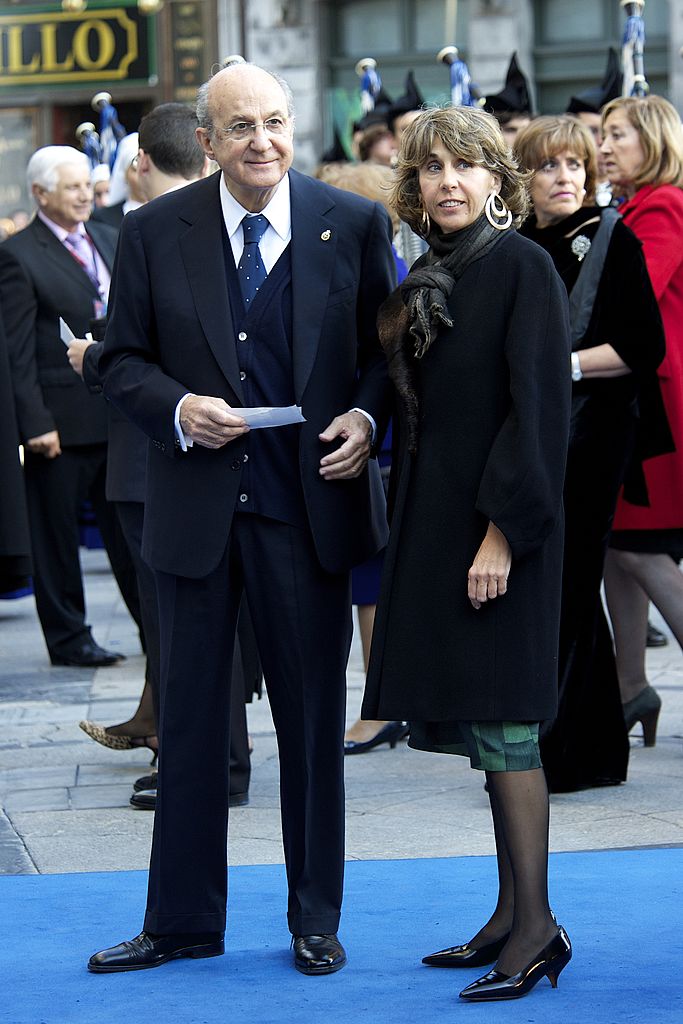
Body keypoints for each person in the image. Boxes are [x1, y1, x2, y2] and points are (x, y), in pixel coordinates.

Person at [87, 62, 395, 976]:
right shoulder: (150, 233)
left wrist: (366, 417)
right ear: (209, 140)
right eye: (240, 127)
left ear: (291, 127)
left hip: (307, 516)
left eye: (274, 122)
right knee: (187, 723)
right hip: (193, 515)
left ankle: (314, 918)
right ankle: (180, 921)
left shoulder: (355, 222)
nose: (261, 141)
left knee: (309, 721)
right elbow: (119, 359)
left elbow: (387, 358)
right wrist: (178, 410)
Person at [361, 105, 572, 1002]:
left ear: (496, 178)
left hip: (501, 533)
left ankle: (536, 928)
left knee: (509, 726)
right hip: (442, 526)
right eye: (432, 168)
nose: (447, 181)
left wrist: (501, 534)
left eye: (465, 166)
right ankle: (504, 914)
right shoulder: (432, 272)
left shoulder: (521, 267)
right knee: (486, 730)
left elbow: (540, 415)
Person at [515, 115, 669, 792]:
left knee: (572, 581)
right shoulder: (515, 244)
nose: (564, 178)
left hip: (594, 433)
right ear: (522, 176)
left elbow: (641, 347)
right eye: (548, 166)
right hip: (531, 434)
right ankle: (586, 743)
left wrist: (560, 367)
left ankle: (573, 752)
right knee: (553, 586)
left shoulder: (614, 236)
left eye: (574, 166)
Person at [0, 146, 140, 667]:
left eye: (88, 184)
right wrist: (34, 422)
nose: (86, 194)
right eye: (72, 186)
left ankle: (153, 627)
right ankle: (69, 637)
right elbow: (15, 350)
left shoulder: (109, 236)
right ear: (40, 194)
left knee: (129, 536)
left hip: (117, 414)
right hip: (58, 425)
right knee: (57, 540)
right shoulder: (18, 255)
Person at [599, 94, 683, 745]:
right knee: (613, 548)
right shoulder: (628, 207)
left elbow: (633, 301)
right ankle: (630, 689)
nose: (603, 145)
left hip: (658, 404)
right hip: (628, 399)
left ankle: (633, 687)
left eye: (617, 134)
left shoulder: (662, 207)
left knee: (638, 546)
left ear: (651, 140)